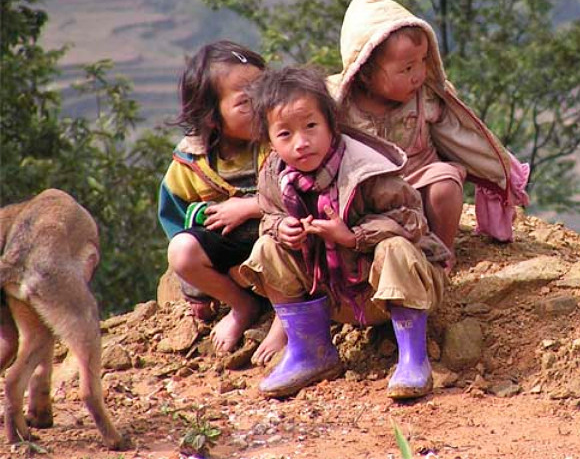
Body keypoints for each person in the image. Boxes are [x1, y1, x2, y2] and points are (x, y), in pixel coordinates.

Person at [236, 66, 449, 401]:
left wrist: (353, 237)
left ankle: (412, 358)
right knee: (267, 247)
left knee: (394, 248)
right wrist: (282, 229)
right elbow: (268, 215)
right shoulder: (276, 175)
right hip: (334, 295)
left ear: (331, 124)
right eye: (285, 134)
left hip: (391, 292)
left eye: (310, 126)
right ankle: (312, 352)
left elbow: (411, 221)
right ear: (269, 141)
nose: (301, 143)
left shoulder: (367, 169)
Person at [328, 0, 530, 259]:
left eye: (423, 61)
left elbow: (462, 136)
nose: (419, 75)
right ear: (363, 72)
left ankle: (440, 256)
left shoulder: (427, 98)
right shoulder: (338, 105)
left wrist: (497, 169)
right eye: (406, 68)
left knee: (445, 182)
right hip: (369, 197)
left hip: (419, 184)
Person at [158, 40, 276, 354]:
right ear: (211, 117)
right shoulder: (190, 164)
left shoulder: (281, 140)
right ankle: (242, 306)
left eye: (265, 90)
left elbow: (304, 197)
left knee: (276, 243)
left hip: (280, 242)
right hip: (232, 254)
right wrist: (201, 279)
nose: (262, 104)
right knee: (182, 251)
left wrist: (251, 206)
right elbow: (175, 217)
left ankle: (287, 319)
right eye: (245, 101)